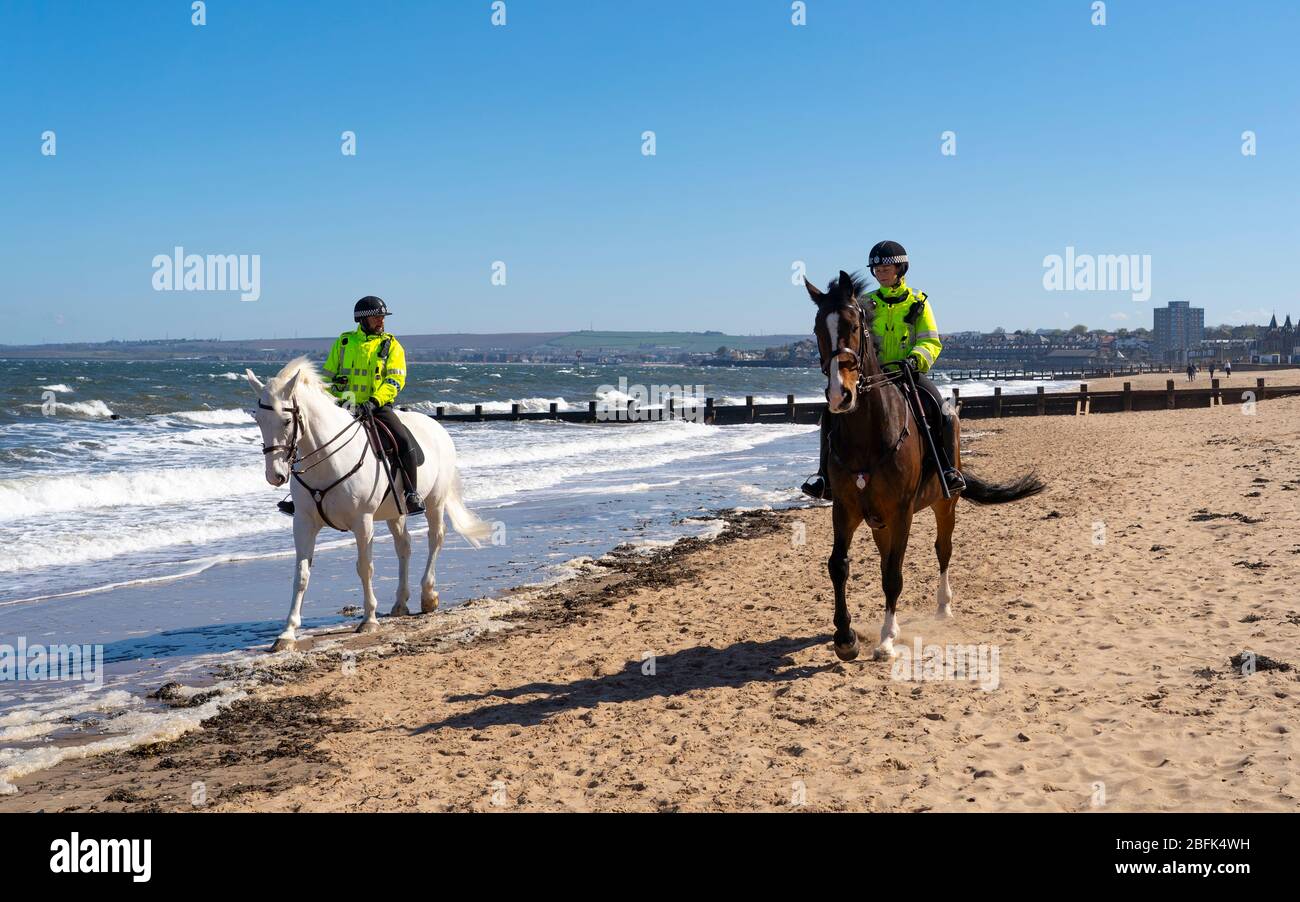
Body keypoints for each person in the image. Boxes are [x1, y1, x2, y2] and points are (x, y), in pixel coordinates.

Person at [801, 240, 964, 501]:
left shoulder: (918, 302)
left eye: (887, 267)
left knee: (944, 412)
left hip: (908, 372)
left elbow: (931, 341)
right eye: (877, 269)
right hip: (872, 376)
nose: (881, 272)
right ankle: (823, 476)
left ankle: (948, 470)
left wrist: (914, 360)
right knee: (830, 413)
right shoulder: (864, 304)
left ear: (901, 268)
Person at [321, 296, 425, 514]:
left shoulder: (392, 345)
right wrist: (335, 392)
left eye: (382, 317)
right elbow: (327, 376)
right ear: (362, 320)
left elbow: (395, 380)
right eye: (376, 317)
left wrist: (374, 401)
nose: (381, 321)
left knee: (403, 442)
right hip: (345, 405)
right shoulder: (344, 341)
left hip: (376, 407)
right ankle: (301, 497)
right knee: (309, 438)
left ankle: (411, 493)